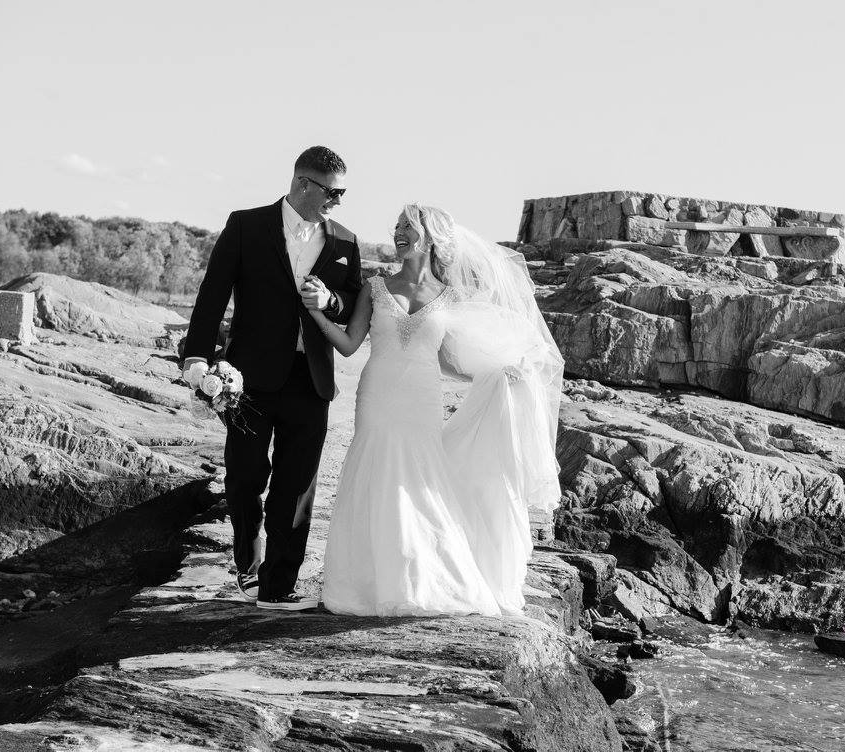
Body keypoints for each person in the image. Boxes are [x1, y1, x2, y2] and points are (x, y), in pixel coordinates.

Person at [303, 204, 563, 616]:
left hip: (422, 398)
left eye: (408, 225)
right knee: (376, 472)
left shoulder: (452, 297)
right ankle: (371, 584)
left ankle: (425, 581)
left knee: (419, 482)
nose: (399, 232)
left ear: (430, 235)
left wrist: (499, 372)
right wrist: (316, 311)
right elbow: (351, 345)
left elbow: (448, 360)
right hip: (377, 395)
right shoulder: (375, 287)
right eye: (397, 226)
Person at [180, 146, 362, 611]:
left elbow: (351, 299)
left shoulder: (345, 241)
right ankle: (247, 558)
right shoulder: (246, 225)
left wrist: (330, 301)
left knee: (297, 486)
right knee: (244, 477)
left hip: (311, 381)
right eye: (333, 192)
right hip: (248, 380)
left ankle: (279, 583)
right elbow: (212, 295)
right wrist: (197, 359)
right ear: (305, 184)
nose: (338, 202)